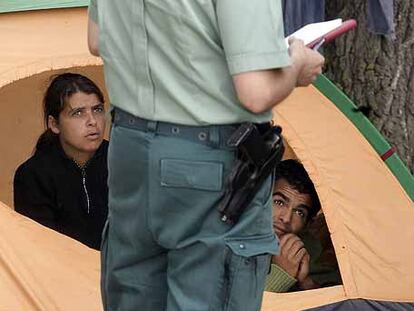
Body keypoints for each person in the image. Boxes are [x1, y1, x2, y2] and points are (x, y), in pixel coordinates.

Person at [88, 1, 324, 310]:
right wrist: (296, 65)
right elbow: (256, 92)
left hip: (130, 150)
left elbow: (96, 39)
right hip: (207, 160)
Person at [13, 73, 109, 250]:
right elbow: (39, 246)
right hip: (61, 272)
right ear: (54, 124)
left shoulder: (119, 160)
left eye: (97, 110)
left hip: (119, 270)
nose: (92, 122)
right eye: (78, 113)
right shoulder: (33, 175)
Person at [266, 159, 341, 292]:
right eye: (279, 202)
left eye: (299, 212)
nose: (286, 218)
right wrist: (281, 275)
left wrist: (306, 283)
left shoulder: (310, 256)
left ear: (307, 224)